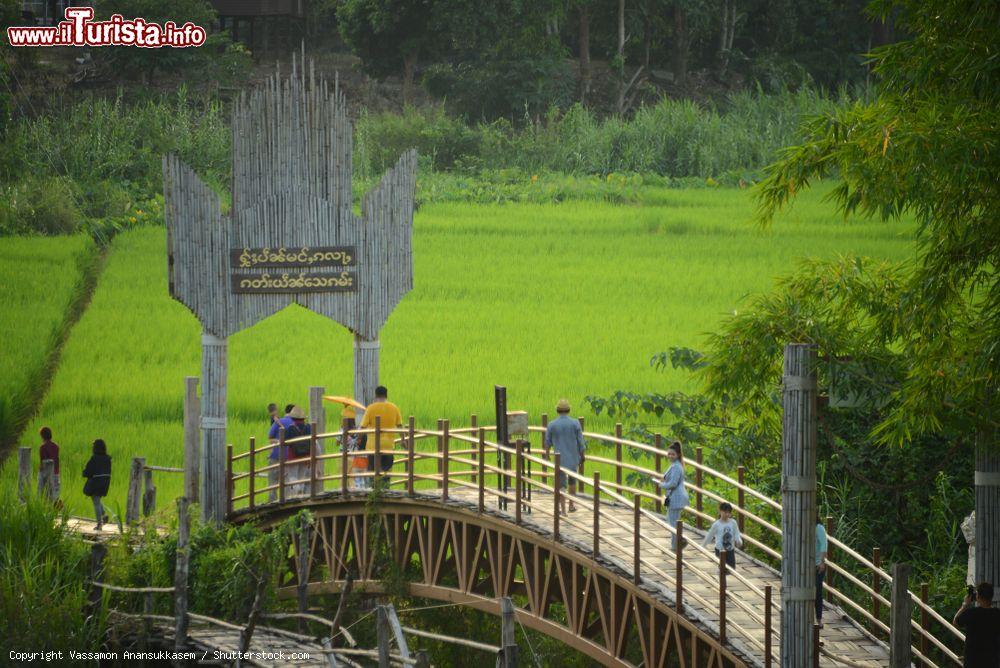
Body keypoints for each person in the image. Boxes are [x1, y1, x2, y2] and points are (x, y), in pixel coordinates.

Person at [544, 399, 585, 515]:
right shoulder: (575, 423)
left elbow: (547, 443)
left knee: (560, 484)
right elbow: (581, 443)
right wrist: (582, 456)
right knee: (572, 481)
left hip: (559, 460)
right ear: (568, 409)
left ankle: (561, 509)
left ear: (557, 410)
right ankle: (571, 505)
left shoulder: (552, 425)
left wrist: (547, 456)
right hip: (572, 458)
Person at [268, 405, 312, 498]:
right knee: (302, 477)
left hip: (294, 456)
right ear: (303, 418)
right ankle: (301, 496)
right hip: (306, 457)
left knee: (292, 476)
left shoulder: (291, 428)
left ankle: (297, 489)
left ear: (293, 417)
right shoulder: (309, 427)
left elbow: (285, 443)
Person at [651, 441, 688, 550]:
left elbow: (673, 484)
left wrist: (660, 484)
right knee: (673, 522)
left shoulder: (676, 467)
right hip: (674, 498)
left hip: (676, 498)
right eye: (669, 454)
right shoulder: (675, 465)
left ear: (678, 455)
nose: (670, 456)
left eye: (673, 454)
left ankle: (677, 546)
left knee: (673, 524)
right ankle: (677, 544)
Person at [953, 581, 1000, 667]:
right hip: (992, 661)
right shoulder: (997, 614)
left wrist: (965, 605)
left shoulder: (971, 613)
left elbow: (956, 622)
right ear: (992, 596)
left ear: (977, 596)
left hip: (972, 660)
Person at [360, 386, 402, 479]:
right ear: (386, 395)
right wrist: (403, 441)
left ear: (375, 395)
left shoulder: (370, 408)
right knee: (386, 473)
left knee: (372, 473)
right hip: (388, 446)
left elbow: (362, 427)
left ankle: (374, 491)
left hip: (372, 447)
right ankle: (385, 490)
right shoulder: (394, 408)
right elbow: (400, 426)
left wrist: (358, 440)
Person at [703, 501, 743, 569]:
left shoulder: (733, 522)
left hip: (730, 549)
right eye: (725, 512)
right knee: (722, 569)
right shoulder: (717, 524)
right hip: (720, 550)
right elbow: (709, 536)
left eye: (729, 512)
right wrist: (703, 546)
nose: (727, 514)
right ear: (720, 511)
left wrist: (739, 541)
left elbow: (737, 533)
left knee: (731, 569)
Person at [82, 439, 111, 530]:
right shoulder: (108, 458)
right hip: (105, 481)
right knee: (97, 499)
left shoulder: (94, 458)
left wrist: (84, 473)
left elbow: (88, 471)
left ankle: (99, 524)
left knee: (96, 502)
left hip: (96, 482)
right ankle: (104, 515)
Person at [37, 426, 61, 503]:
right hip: (56, 472)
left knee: (44, 494)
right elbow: (57, 460)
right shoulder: (56, 446)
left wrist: (40, 472)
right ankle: (55, 510)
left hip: (46, 474)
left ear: (42, 436)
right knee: (55, 494)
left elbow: (42, 462)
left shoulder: (42, 447)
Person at [816, 514, 828, 627]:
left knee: (817, 592)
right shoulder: (805, 527)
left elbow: (824, 545)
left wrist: (822, 562)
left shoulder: (819, 527)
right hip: (807, 566)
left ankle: (818, 620)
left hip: (818, 565)